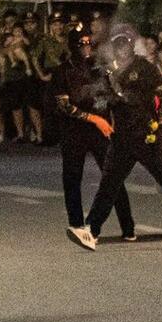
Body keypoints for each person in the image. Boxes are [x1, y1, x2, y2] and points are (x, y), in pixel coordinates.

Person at [71, 25, 162, 251]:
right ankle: (91, 230)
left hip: (147, 135)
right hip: (122, 138)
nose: (120, 48)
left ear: (131, 45)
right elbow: (100, 100)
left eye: (124, 43)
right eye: (116, 44)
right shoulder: (109, 73)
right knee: (109, 185)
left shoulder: (144, 68)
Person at [55, 31, 135, 241]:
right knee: (72, 179)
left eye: (89, 43)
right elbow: (63, 105)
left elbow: (114, 95)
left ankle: (128, 227)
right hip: (74, 131)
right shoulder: (63, 71)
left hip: (101, 130)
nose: (86, 47)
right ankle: (76, 225)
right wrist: (93, 118)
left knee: (113, 177)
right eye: (82, 43)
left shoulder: (100, 69)